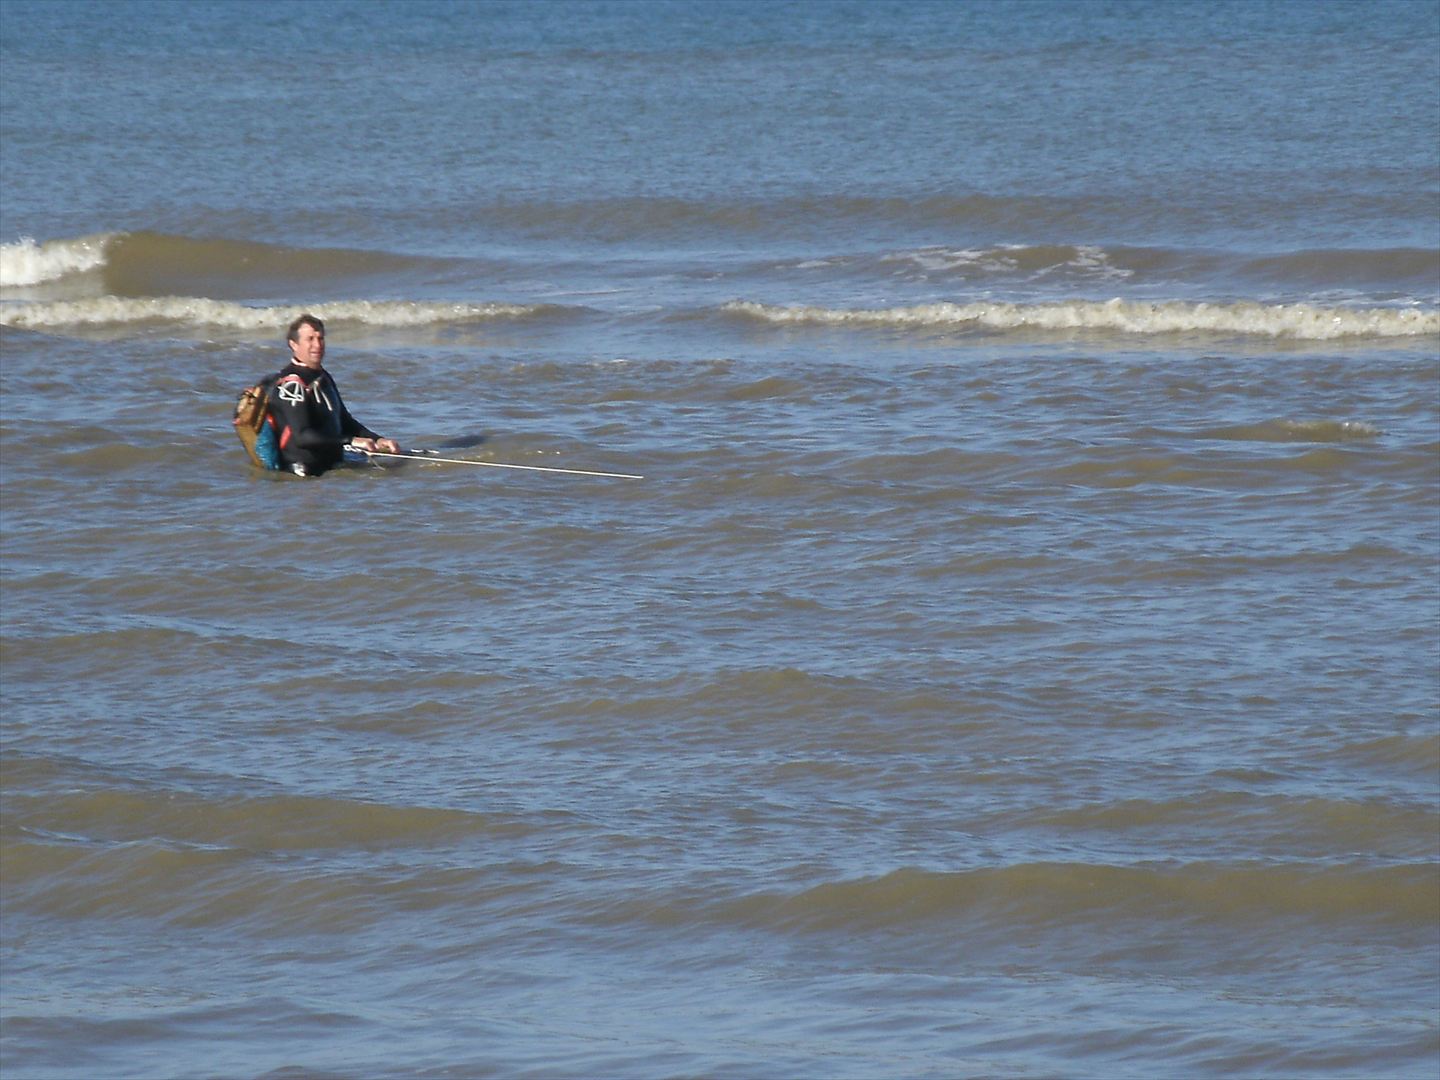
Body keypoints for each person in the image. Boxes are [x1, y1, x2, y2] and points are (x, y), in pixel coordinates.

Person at [267, 314, 401, 476]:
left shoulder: (322, 376)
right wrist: (350, 441)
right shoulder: (292, 384)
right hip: (304, 477)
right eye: (310, 339)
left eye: (320, 338)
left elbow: (344, 421)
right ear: (294, 345)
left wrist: (378, 440)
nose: (317, 345)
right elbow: (303, 437)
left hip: (332, 466)